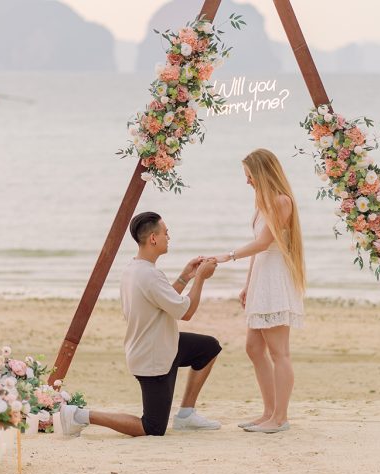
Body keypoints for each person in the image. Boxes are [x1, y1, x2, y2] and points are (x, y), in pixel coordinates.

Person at [59, 212, 222, 437]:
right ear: (153, 238)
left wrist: (186, 276)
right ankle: (79, 415)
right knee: (152, 428)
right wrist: (201, 278)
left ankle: (186, 414)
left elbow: (167, 302)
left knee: (209, 348)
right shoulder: (149, 275)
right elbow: (186, 312)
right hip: (152, 357)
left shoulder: (134, 269)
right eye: (166, 233)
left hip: (164, 344)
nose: (169, 237)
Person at [209, 148, 306, 434]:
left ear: (262, 174)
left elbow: (264, 243)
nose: (247, 181)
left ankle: (280, 417)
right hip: (262, 278)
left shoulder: (281, 201)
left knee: (279, 353)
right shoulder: (262, 203)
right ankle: (268, 412)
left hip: (275, 279)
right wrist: (248, 285)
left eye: (249, 175)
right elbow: (258, 250)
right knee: (254, 348)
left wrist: (229, 255)